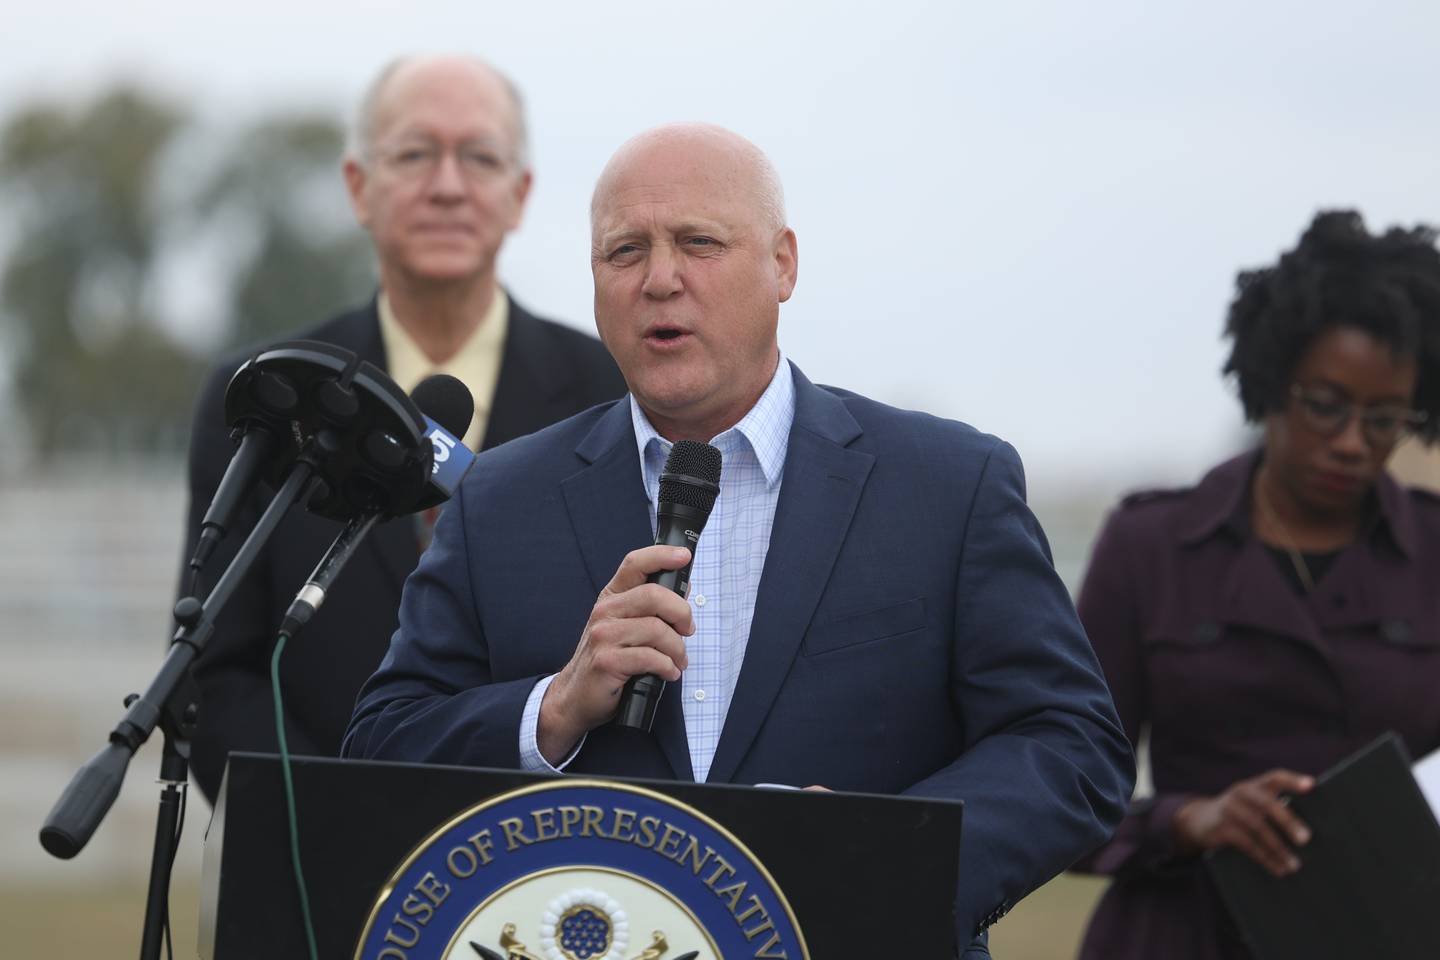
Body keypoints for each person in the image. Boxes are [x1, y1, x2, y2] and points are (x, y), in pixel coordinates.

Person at [343, 122, 1134, 955]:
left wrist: (890, 846)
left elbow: (1071, 745)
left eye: (699, 242)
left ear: (783, 263)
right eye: (624, 252)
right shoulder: (500, 500)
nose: (660, 279)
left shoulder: (946, 485)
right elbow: (383, 741)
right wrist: (555, 708)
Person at [179, 54, 626, 802]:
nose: (446, 186)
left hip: (545, 856)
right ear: (360, 186)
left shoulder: (609, 394)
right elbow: (216, 669)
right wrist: (327, 826)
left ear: (519, 196)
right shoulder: (265, 395)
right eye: (415, 154)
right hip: (312, 859)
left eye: (479, 158)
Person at [1072, 210, 1440, 960]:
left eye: (1384, 419)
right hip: (1179, 936)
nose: (1350, 441)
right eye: (1326, 406)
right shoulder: (1151, 546)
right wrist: (1188, 820)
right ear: (1271, 382)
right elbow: (1061, 792)